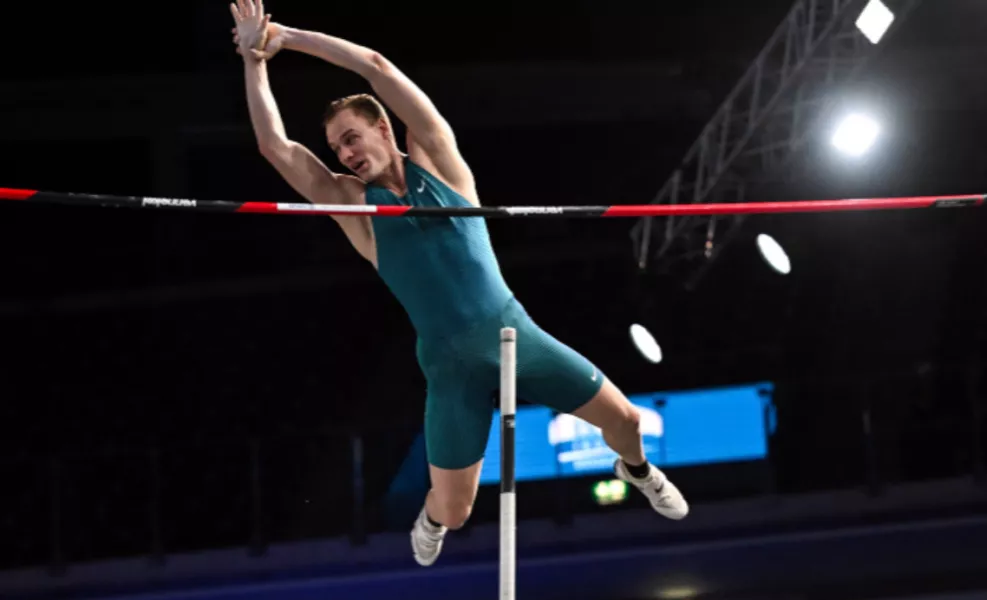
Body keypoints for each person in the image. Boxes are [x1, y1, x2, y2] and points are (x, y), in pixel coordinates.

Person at [229, 0, 688, 566]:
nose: (345, 154)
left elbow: (375, 65)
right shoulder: (353, 206)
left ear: (381, 127)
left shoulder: (440, 163)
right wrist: (254, 60)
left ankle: (636, 470)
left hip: (516, 336)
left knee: (627, 421)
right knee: (456, 512)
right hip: (448, 367)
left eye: (351, 137)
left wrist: (286, 36)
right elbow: (274, 146)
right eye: (336, 148)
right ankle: (431, 515)